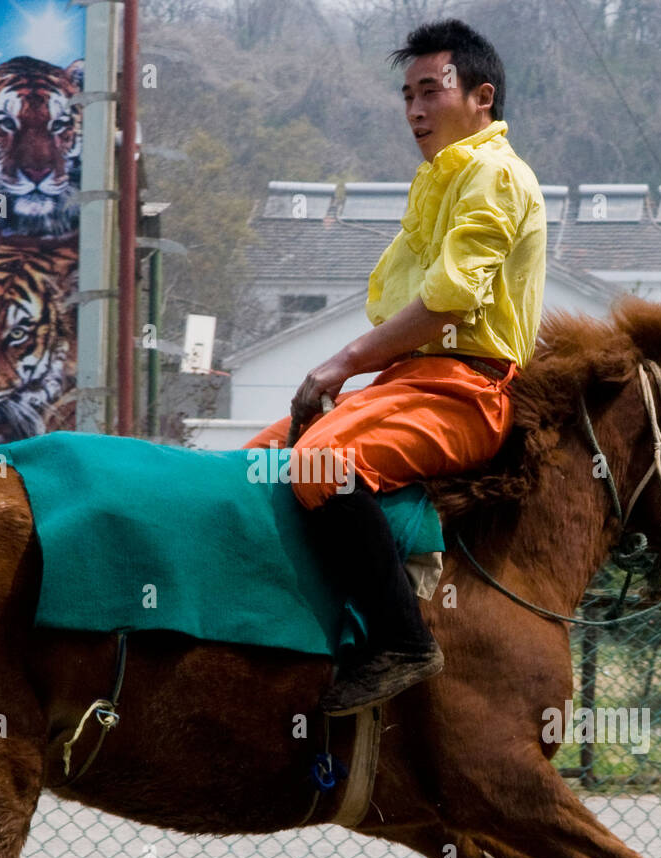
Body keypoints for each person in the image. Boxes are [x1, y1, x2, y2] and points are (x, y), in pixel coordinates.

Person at [245, 18, 546, 715]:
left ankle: (402, 640)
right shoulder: (439, 180)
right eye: (406, 94)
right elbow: (402, 306)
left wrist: (340, 364)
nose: (414, 109)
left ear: (482, 97)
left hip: (471, 393)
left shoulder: (497, 175)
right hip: (413, 381)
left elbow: (445, 302)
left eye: (430, 91)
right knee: (259, 458)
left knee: (320, 461)